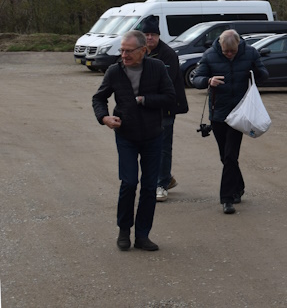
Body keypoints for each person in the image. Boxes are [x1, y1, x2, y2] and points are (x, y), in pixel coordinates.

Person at [92, 30, 176, 251]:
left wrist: (145, 100)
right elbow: (99, 98)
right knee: (129, 183)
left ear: (143, 50)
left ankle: (142, 235)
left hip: (153, 136)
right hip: (126, 136)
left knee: (149, 187)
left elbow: (170, 97)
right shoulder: (114, 71)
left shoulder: (156, 69)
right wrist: (104, 117)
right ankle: (123, 230)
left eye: (129, 51)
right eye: (121, 50)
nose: (124, 55)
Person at [192, 29, 268, 214]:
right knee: (225, 156)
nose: (229, 55)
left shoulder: (250, 52)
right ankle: (238, 186)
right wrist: (209, 80)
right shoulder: (210, 55)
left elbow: (264, 74)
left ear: (238, 46)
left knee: (230, 155)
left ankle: (227, 199)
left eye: (232, 52)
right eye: (226, 52)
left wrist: (256, 71)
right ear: (220, 46)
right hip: (218, 113)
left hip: (240, 112)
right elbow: (196, 78)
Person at [141, 18, 189, 202]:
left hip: (166, 107)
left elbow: (163, 82)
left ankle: (161, 184)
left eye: (153, 35)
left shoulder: (168, 54)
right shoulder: (140, 52)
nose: (150, 38)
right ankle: (166, 178)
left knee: (163, 147)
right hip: (147, 107)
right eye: (146, 35)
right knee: (149, 146)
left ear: (158, 36)